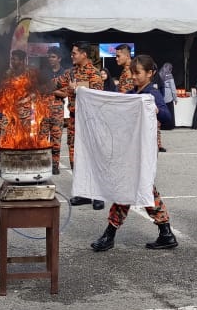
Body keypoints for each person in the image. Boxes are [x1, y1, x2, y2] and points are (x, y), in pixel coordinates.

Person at [91, 54, 178, 252]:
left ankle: (110, 234)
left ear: (150, 73)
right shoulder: (132, 93)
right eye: (132, 72)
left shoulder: (151, 94)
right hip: (130, 149)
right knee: (140, 188)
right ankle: (166, 233)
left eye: (138, 73)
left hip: (144, 150)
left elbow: (168, 119)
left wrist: (155, 110)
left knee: (129, 187)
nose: (134, 76)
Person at [59, 42, 105, 210]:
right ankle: (84, 192)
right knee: (75, 158)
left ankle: (98, 194)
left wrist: (77, 88)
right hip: (73, 121)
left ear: (84, 54)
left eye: (74, 53)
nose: (72, 56)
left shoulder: (94, 73)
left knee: (93, 157)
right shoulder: (70, 73)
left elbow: (97, 96)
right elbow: (57, 83)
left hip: (90, 122)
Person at [42, 47, 66, 174]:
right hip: (44, 110)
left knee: (56, 140)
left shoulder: (64, 73)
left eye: (53, 57)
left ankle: (55, 165)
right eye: (49, 57)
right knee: (44, 139)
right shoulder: (44, 73)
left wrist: (51, 90)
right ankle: (44, 164)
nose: (50, 59)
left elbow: (65, 93)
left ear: (59, 58)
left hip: (57, 111)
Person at [158, 62, 178, 129]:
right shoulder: (169, 75)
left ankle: (163, 126)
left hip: (161, 95)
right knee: (170, 111)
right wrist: (175, 98)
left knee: (163, 112)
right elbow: (173, 87)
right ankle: (169, 126)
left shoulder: (160, 74)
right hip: (169, 96)